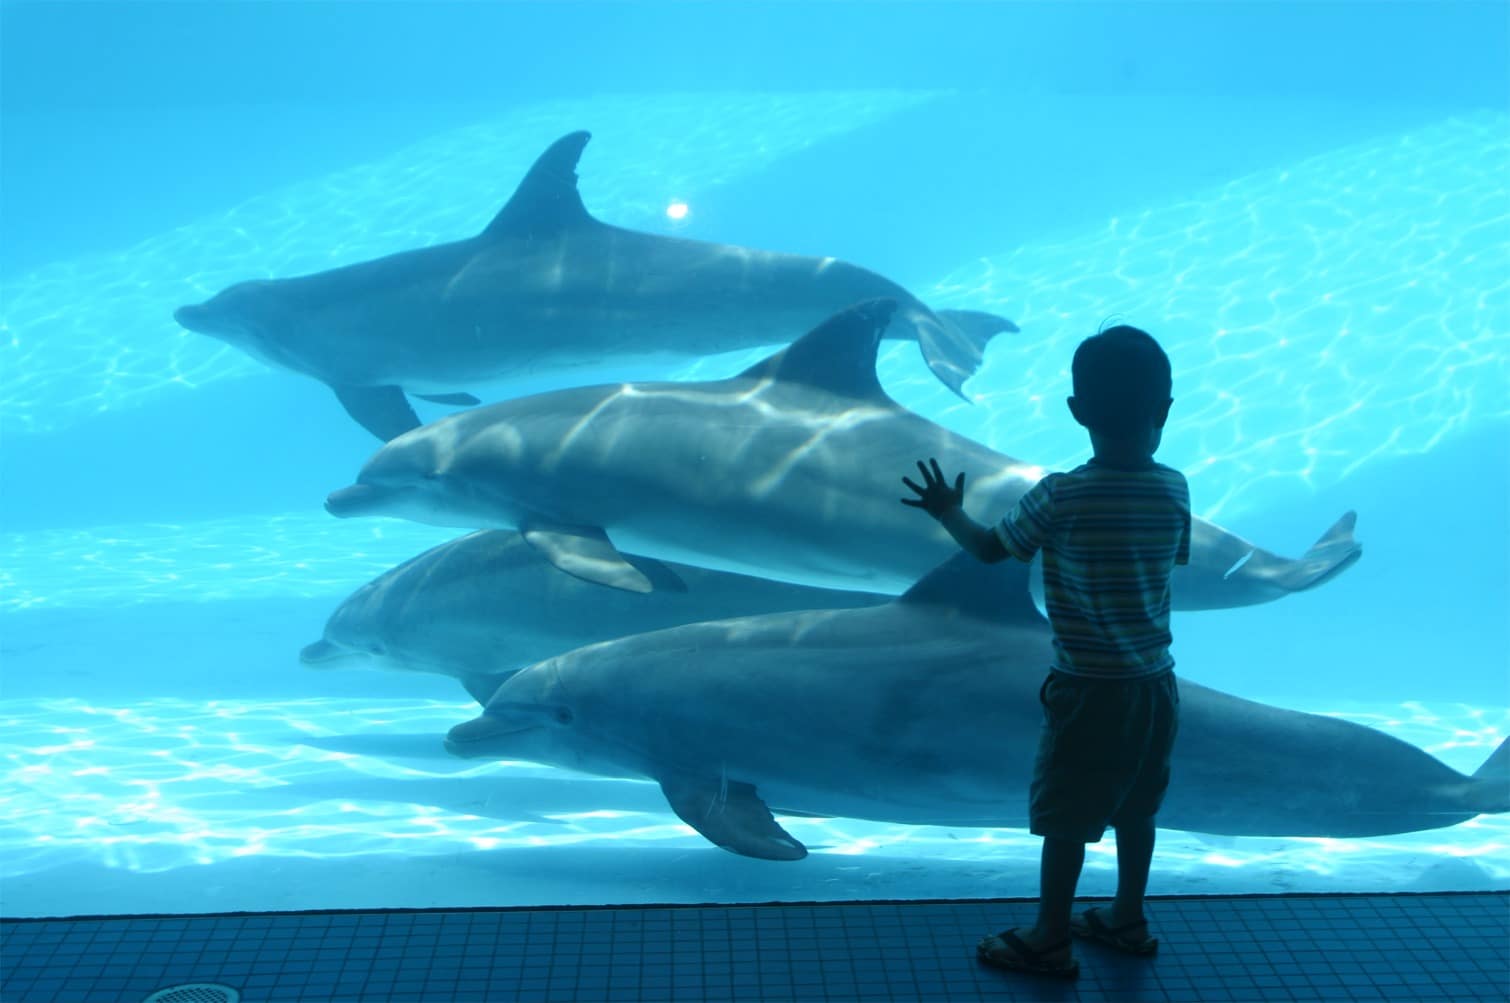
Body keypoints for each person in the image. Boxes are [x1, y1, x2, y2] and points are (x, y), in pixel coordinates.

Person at [901, 324, 1190, 979]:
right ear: (1164, 411)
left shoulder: (1061, 494)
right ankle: (1127, 916)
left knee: (1067, 816)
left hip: (1088, 684)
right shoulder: (1175, 489)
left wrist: (949, 510)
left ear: (1077, 411)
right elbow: (1164, 562)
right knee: (1136, 809)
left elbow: (989, 551)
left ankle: (1050, 936)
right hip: (1156, 683)